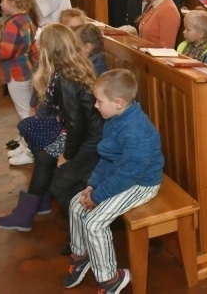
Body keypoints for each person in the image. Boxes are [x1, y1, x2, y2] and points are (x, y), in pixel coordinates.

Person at [0, 24, 103, 232]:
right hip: (84, 130)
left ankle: (25, 214)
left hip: (90, 138)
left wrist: (67, 155)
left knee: (44, 156)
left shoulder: (66, 79)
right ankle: (38, 202)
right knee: (34, 137)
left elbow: (75, 124)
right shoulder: (73, 67)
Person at [64, 69, 164, 293]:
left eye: (99, 101)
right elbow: (108, 157)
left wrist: (98, 196)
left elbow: (129, 174)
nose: (96, 106)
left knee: (94, 223)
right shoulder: (115, 119)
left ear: (118, 102)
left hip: (143, 183)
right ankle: (81, 256)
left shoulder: (136, 131)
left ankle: (110, 279)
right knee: (76, 204)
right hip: (123, 175)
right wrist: (93, 184)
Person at [0, 0, 39, 159]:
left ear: (13, 2)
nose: (0, 4)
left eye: (3, 0)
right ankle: (25, 143)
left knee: (25, 114)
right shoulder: (26, 19)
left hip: (16, 72)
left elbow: (6, 52)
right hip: (27, 68)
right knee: (29, 109)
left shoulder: (13, 23)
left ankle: (31, 151)